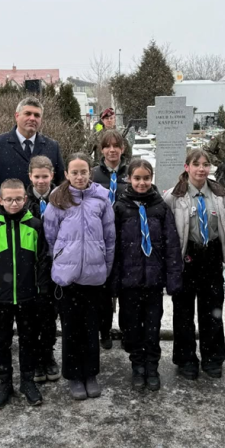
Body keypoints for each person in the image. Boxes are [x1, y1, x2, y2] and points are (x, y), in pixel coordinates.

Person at [44, 153, 116, 400]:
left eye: (83, 171)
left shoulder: (102, 198)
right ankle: (74, 375)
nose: (79, 176)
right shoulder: (58, 199)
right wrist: (62, 259)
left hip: (94, 276)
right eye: (74, 172)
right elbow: (50, 236)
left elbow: (109, 236)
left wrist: (105, 267)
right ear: (66, 174)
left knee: (91, 327)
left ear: (90, 172)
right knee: (71, 328)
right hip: (69, 278)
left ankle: (90, 373)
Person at [0, 179, 51, 409]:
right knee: (2, 342)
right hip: (1, 299)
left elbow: (42, 261)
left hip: (28, 298)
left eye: (18, 199)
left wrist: (42, 292)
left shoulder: (35, 226)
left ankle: (27, 381)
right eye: (9, 199)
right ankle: (4, 382)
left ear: (25, 199)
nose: (14, 203)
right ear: (0, 200)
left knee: (29, 340)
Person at [113, 159, 183, 391]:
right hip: (129, 281)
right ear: (129, 179)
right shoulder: (120, 207)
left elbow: (171, 244)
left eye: (146, 178)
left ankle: (152, 365)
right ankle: (137, 366)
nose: (141, 183)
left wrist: (172, 276)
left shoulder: (160, 207)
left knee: (152, 326)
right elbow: (114, 247)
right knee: (132, 326)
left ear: (151, 178)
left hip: (153, 280)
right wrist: (115, 281)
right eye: (137, 178)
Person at [164, 148, 225, 380]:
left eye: (205, 164)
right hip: (187, 257)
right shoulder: (173, 196)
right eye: (196, 164)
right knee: (183, 311)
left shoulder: (220, 194)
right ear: (187, 167)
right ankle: (185, 358)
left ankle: (213, 357)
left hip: (211, 255)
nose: (201, 169)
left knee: (212, 310)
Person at [0, 97, 65, 221]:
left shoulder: (52, 146)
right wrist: (4, 211)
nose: (32, 118)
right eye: (27, 113)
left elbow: (61, 184)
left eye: (37, 115)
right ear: (17, 116)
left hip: (45, 222)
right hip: (7, 223)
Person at [90, 129, 129, 350]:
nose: (112, 150)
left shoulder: (131, 173)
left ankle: (126, 329)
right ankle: (103, 330)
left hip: (126, 239)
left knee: (125, 290)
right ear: (101, 149)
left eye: (116, 146)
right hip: (101, 240)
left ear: (122, 149)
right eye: (107, 146)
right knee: (103, 289)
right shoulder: (93, 176)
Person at [25, 155, 61, 384]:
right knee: (31, 316)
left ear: (52, 176)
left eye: (45, 176)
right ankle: (35, 357)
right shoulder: (22, 200)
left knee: (49, 315)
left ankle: (48, 353)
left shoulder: (60, 198)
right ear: (30, 176)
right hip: (30, 266)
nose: (41, 181)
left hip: (54, 266)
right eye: (36, 176)